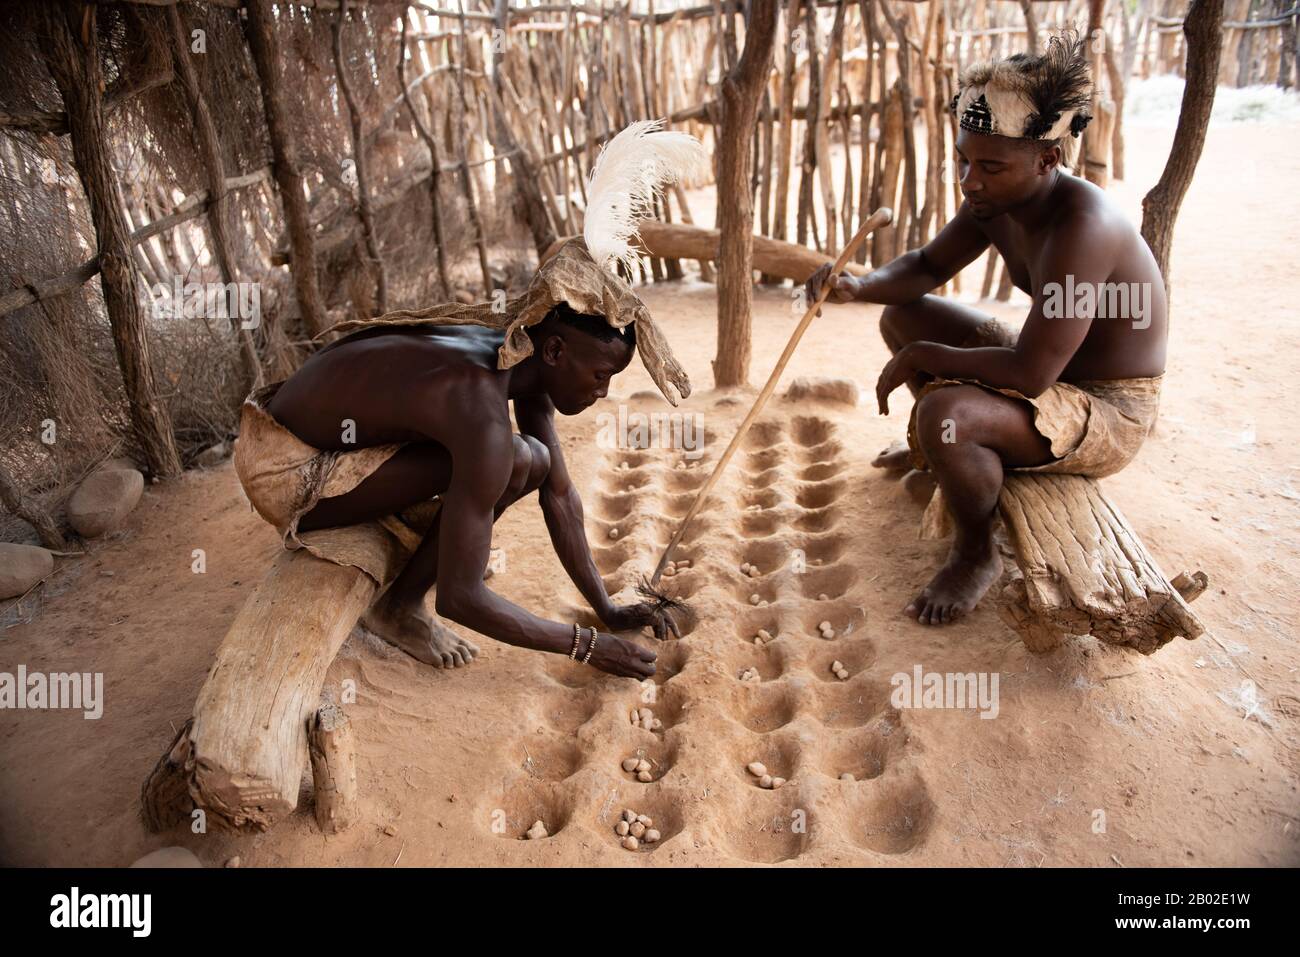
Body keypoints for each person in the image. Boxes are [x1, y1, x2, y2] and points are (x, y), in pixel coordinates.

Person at [806, 31, 1166, 626]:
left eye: (989, 166)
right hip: (1050, 368)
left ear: (1048, 159)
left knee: (945, 414)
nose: (969, 180)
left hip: (1105, 408)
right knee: (903, 315)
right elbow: (926, 267)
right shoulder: (996, 200)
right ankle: (952, 459)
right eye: (963, 160)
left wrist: (927, 356)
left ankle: (975, 551)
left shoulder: (1084, 226)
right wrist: (857, 287)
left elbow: (1030, 372)